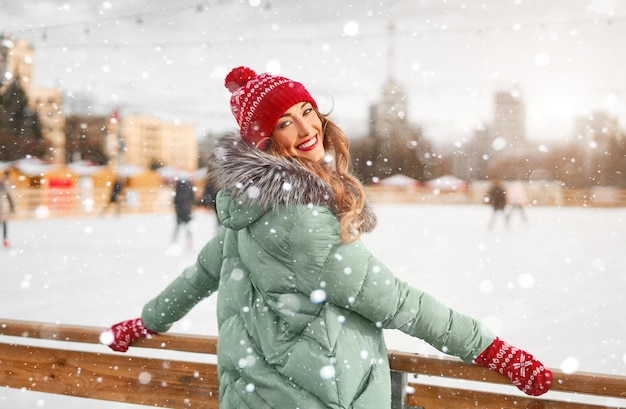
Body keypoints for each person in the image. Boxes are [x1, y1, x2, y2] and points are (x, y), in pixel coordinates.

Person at [102, 66, 552, 407]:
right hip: (318, 397)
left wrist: (145, 323)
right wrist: (491, 349)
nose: (305, 129)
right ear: (264, 141)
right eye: (284, 122)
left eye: (307, 112)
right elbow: (396, 302)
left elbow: (197, 277)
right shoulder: (301, 220)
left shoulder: (249, 211)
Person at [171, 178, 196, 247]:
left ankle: (175, 240)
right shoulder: (189, 187)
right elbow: (192, 198)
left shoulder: (178, 187)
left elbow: (175, 200)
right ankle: (189, 241)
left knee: (178, 226)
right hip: (187, 210)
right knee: (188, 227)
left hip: (180, 210)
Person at [0, 169, 16, 248]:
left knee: (3, 223)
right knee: (4, 223)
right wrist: (13, 207)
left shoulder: (3, 182)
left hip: (3, 205)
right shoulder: (6, 183)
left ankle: (5, 240)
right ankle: (5, 240)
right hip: (3, 206)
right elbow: (10, 195)